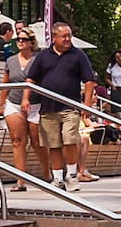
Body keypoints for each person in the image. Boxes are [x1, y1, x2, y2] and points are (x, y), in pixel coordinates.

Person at [25, 19, 98, 189]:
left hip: (70, 107)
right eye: (63, 36)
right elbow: (31, 78)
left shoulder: (78, 55)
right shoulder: (43, 56)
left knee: (69, 140)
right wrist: (25, 98)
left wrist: (86, 104)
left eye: (69, 36)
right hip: (48, 108)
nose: (67, 39)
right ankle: (57, 178)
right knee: (53, 144)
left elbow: (89, 80)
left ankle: (72, 174)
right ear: (54, 38)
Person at [0, 28, 44, 192]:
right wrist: (0, 105)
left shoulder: (38, 60)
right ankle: (20, 180)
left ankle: (48, 174)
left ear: (31, 42)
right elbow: (5, 84)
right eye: (18, 39)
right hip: (14, 102)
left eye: (23, 39)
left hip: (36, 104)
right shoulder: (10, 61)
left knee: (37, 141)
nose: (20, 42)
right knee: (17, 141)